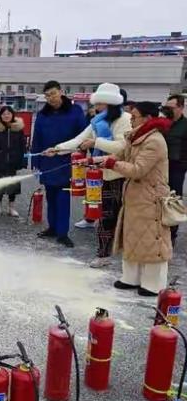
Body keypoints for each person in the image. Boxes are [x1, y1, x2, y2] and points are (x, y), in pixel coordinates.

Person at [48, 83, 132, 267]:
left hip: (119, 175)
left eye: (99, 103)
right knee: (104, 216)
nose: (95, 107)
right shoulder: (97, 121)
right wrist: (57, 149)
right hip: (100, 172)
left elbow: (122, 147)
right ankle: (104, 254)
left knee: (113, 217)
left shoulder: (125, 119)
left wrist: (96, 142)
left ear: (109, 103)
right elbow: (79, 140)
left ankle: (117, 255)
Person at [100, 102, 172, 296]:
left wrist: (112, 163)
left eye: (134, 117)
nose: (130, 120)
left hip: (151, 197)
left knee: (152, 240)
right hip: (135, 197)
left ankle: (152, 283)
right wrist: (93, 161)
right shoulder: (136, 137)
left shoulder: (154, 140)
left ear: (147, 118)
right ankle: (131, 277)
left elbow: (138, 170)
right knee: (132, 236)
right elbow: (118, 156)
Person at [31, 80, 87, 248]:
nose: (51, 98)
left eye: (53, 94)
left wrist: (80, 157)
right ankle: (53, 227)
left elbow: (82, 136)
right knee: (50, 195)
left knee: (63, 197)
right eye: (47, 95)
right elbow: (37, 139)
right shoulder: (43, 114)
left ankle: (63, 233)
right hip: (47, 161)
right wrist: (36, 161)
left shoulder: (74, 111)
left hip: (66, 161)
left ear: (61, 92)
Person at [0, 106, 27, 217]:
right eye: (4, 114)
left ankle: (11, 208)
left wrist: (23, 161)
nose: (6, 116)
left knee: (13, 186)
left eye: (8, 113)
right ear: (0, 116)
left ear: (12, 115)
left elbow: (23, 146)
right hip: (0, 161)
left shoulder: (18, 129)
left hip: (13, 162)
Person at [162, 94, 187, 247]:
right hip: (160, 166)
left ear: (181, 107)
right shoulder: (163, 123)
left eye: (171, 108)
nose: (168, 110)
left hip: (177, 167)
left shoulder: (185, 125)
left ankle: (172, 233)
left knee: (173, 199)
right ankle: (160, 229)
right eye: (167, 108)